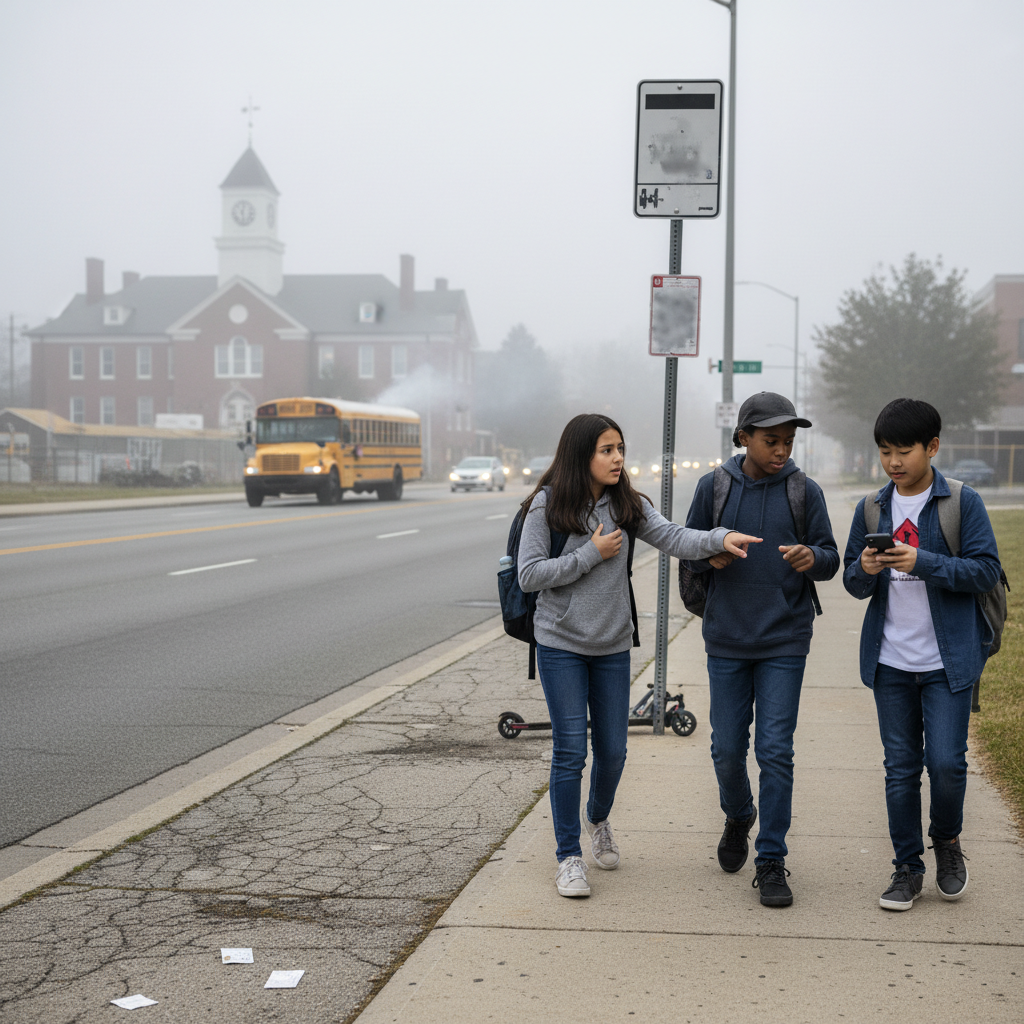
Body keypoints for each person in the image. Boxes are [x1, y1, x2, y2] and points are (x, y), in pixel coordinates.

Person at [518, 413, 760, 898]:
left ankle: (598, 819)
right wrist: (590, 553)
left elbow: (673, 536)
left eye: (620, 449)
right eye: (607, 450)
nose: (617, 458)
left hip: (610, 645)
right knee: (571, 751)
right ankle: (568, 856)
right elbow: (529, 575)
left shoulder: (627, 504)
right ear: (580, 454)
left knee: (613, 751)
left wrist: (719, 539)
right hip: (560, 644)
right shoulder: (547, 505)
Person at [843, 398, 1001, 911]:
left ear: (932, 447)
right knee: (900, 769)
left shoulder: (961, 502)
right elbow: (851, 582)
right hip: (891, 663)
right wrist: (866, 567)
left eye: (903, 451)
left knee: (948, 765)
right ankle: (907, 868)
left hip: (947, 662)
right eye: (885, 452)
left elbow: (984, 571)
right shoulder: (872, 508)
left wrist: (923, 561)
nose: (893, 462)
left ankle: (948, 842)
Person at [682, 392, 839, 907]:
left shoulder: (803, 491)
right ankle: (738, 815)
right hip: (726, 636)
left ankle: (771, 859)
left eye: (789, 441)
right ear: (743, 436)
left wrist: (809, 557)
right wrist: (711, 555)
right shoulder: (714, 487)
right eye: (772, 440)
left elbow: (831, 557)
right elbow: (689, 547)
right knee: (727, 746)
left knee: (775, 750)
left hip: (785, 640)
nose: (782, 450)